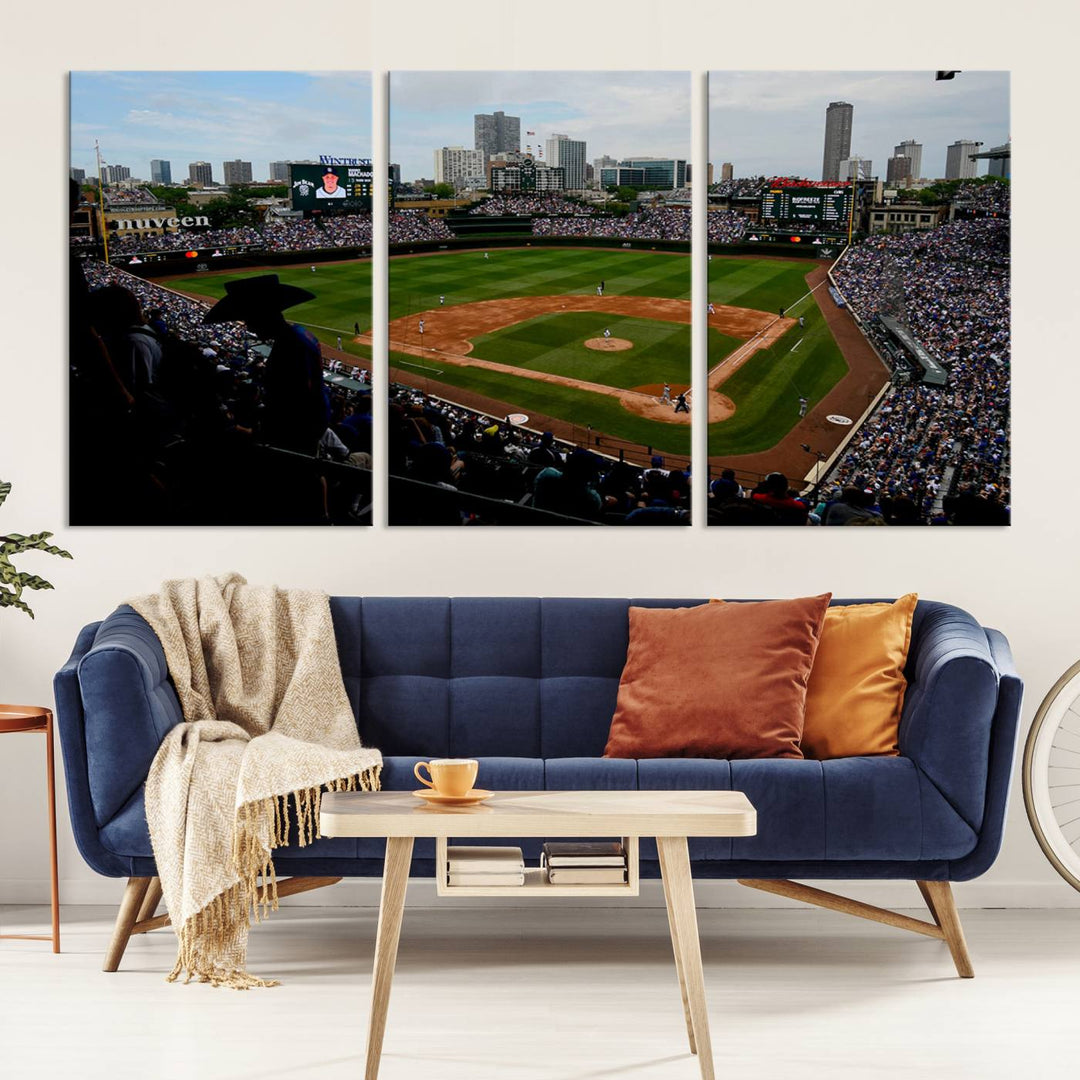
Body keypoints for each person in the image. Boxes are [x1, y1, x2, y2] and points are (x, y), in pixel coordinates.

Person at [205, 274, 327, 455]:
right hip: (301, 433)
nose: (248, 327)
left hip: (296, 441)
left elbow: (295, 406)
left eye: (249, 319)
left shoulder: (291, 345)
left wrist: (255, 432)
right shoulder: (296, 335)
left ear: (263, 315)